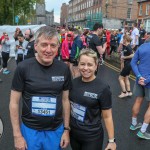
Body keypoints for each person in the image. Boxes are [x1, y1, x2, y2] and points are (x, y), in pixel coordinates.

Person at [9, 26, 71, 150]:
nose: (48, 50)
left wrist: (66, 129)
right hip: (30, 131)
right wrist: (17, 135)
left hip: (55, 131)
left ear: (58, 48)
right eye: (44, 45)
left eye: (53, 45)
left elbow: (65, 100)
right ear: (36, 46)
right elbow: (14, 102)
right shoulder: (23, 68)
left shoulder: (64, 69)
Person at [69, 48, 116, 150]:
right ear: (78, 64)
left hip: (92, 137)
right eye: (82, 64)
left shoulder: (103, 88)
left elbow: (107, 116)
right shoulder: (73, 83)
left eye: (90, 65)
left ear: (96, 66)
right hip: (73, 134)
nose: (85, 68)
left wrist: (111, 141)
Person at [130, 35, 150, 139]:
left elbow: (133, 63)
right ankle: (142, 131)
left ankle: (134, 124)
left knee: (138, 101)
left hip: (139, 79)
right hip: (148, 81)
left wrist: (138, 76)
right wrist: (147, 79)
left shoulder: (141, 47)